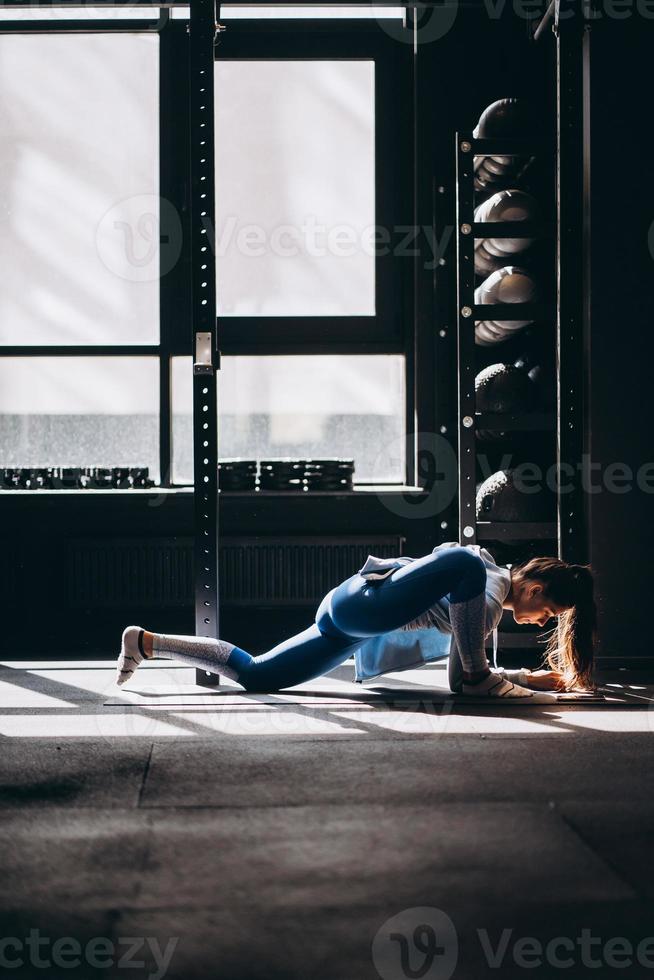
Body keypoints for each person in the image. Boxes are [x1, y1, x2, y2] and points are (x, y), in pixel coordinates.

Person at [115, 542, 597, 703]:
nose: (540, 623)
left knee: (260, 676)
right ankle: (484, 680)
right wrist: (485, 678)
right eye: (549, 613)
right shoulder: (485, 585)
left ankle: (147, 643)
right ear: (534, 590)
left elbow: (456, 679)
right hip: (367, 604)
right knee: (463, 561)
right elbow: (466, 678)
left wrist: (519, 678)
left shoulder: (480, 605)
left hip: (348, 619)